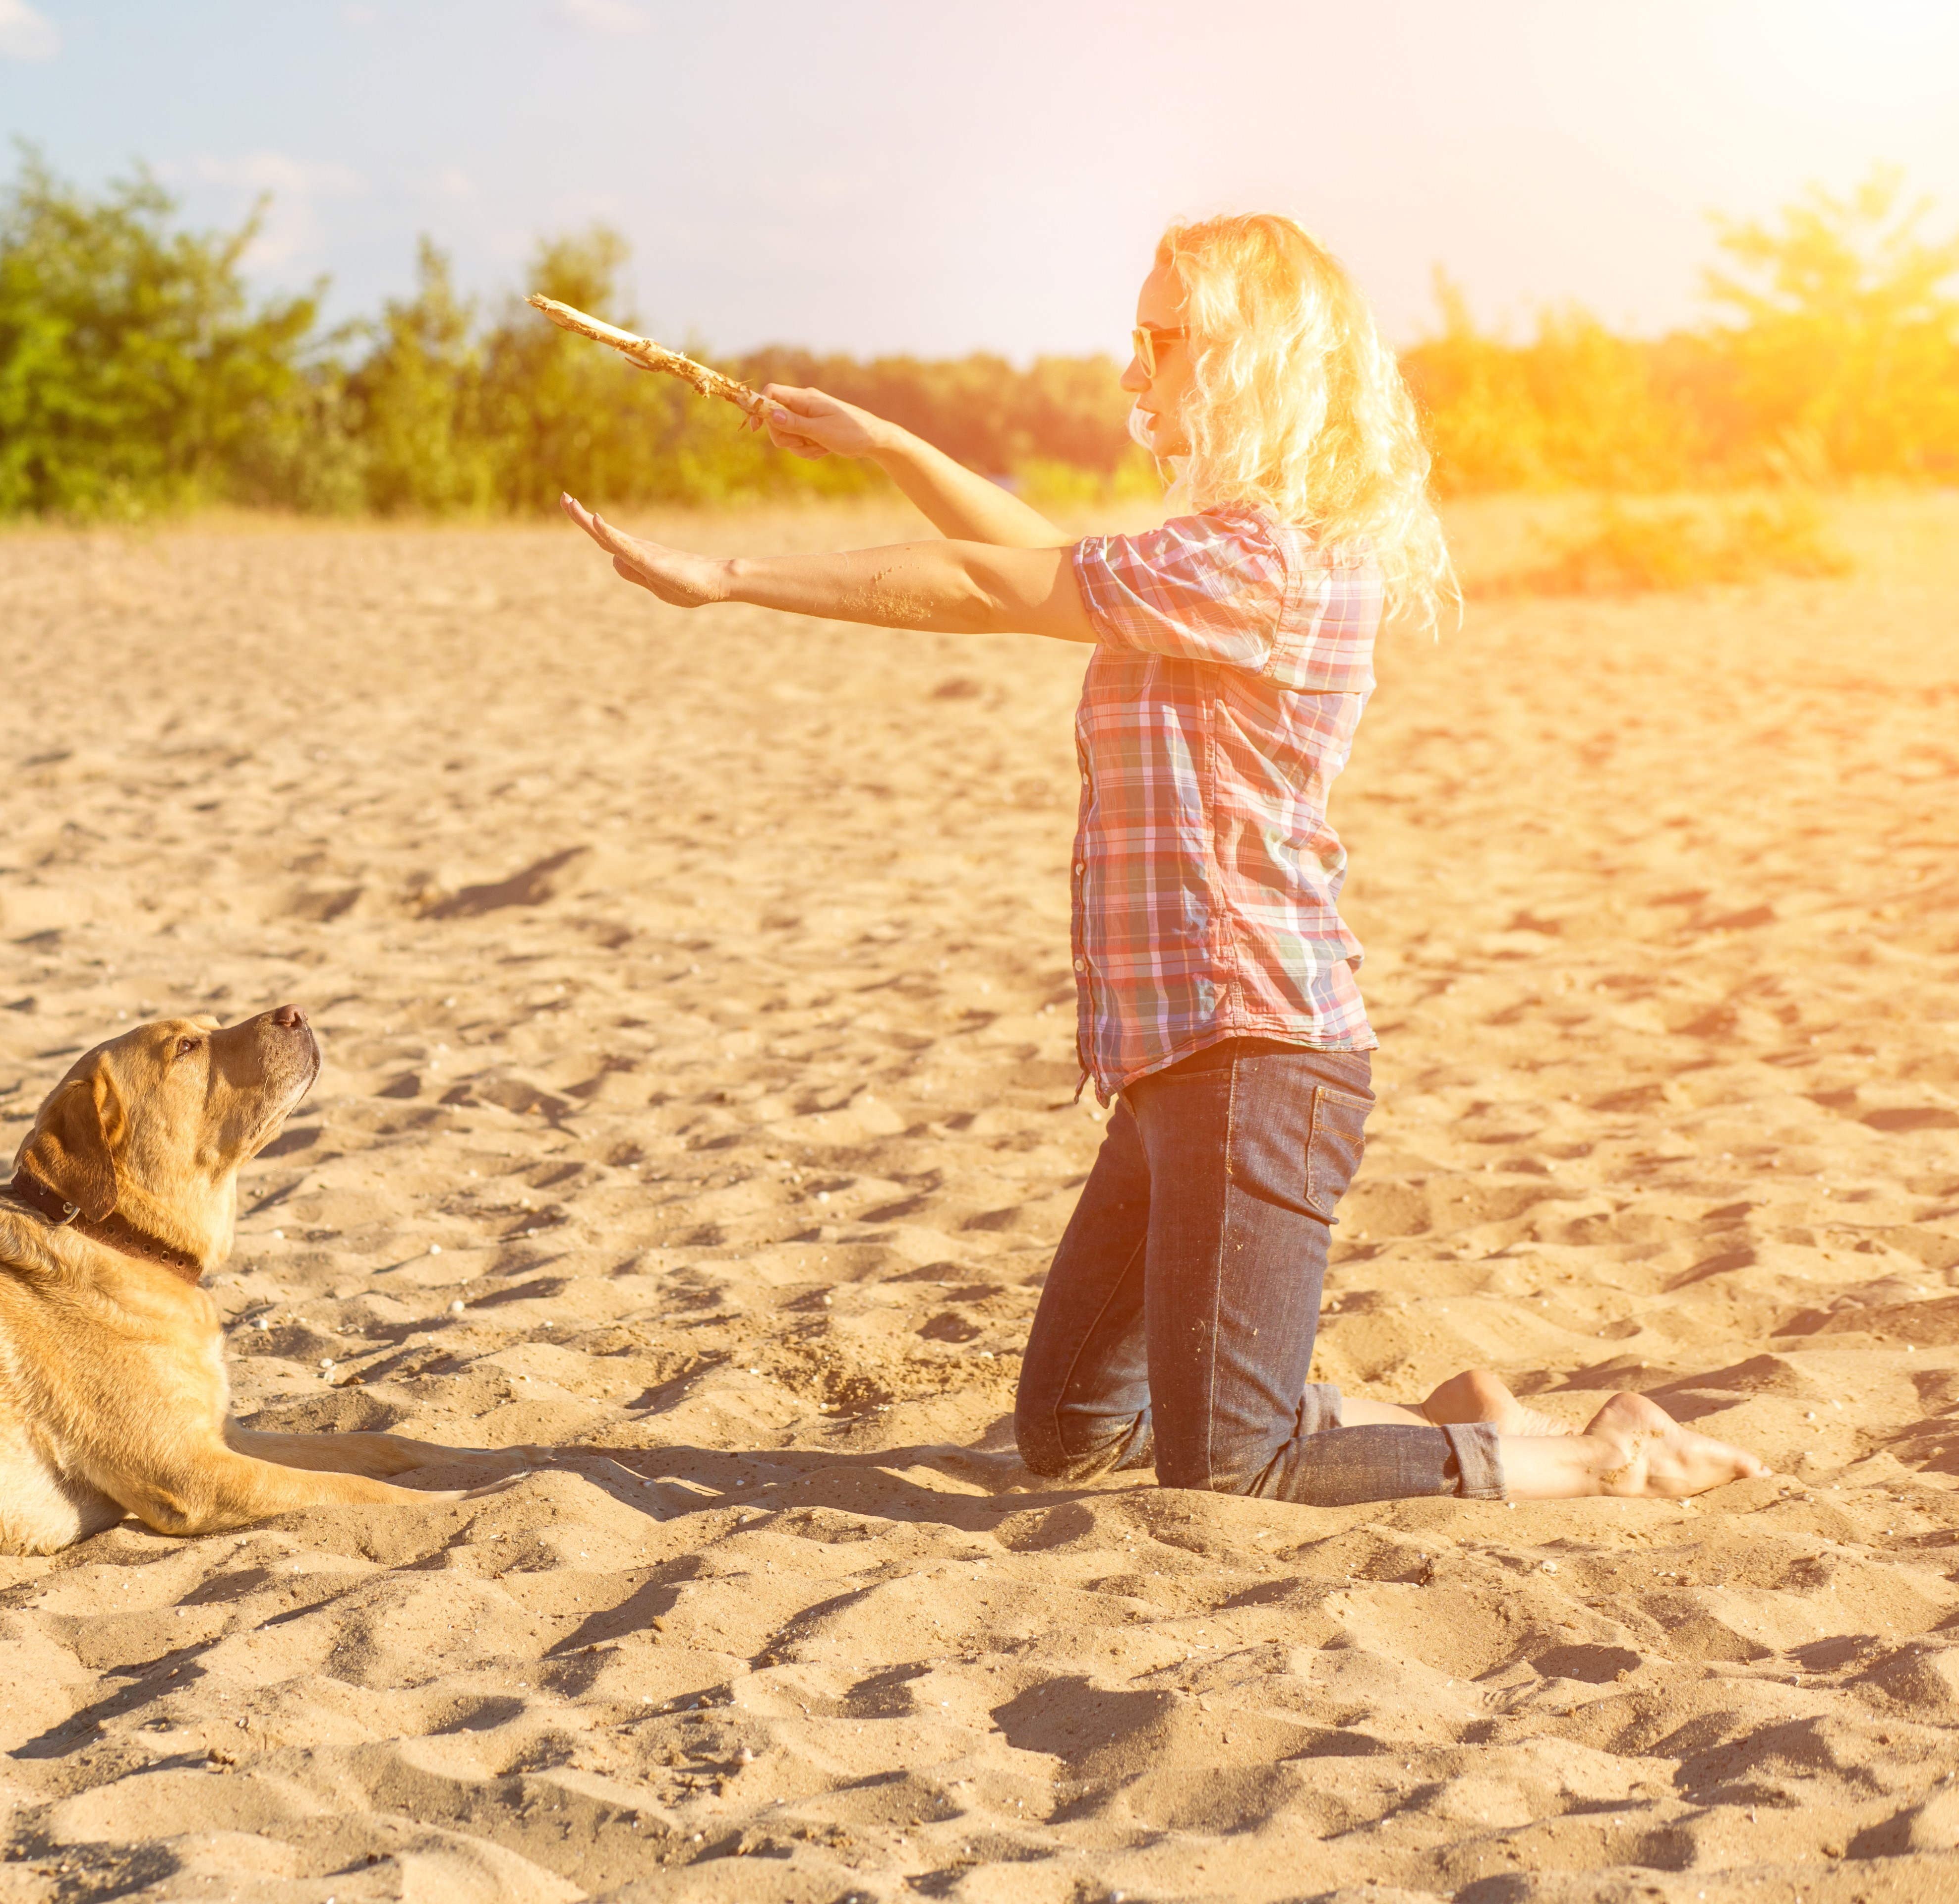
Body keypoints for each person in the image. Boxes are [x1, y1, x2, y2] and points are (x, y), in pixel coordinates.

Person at [559, 213, 1767, 1505]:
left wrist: (730, 573)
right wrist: (893, 444)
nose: (1136, 364)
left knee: (1235, 1474)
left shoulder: (1263, 557)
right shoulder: (1213, 551)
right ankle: (1466, 1416)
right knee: (1074, 1433)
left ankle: (1602, 1456)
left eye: (1166, 336)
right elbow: (1030, 564)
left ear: (1260, 355)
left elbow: (985, 588)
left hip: (1259, 1054)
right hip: (1172, 1060)